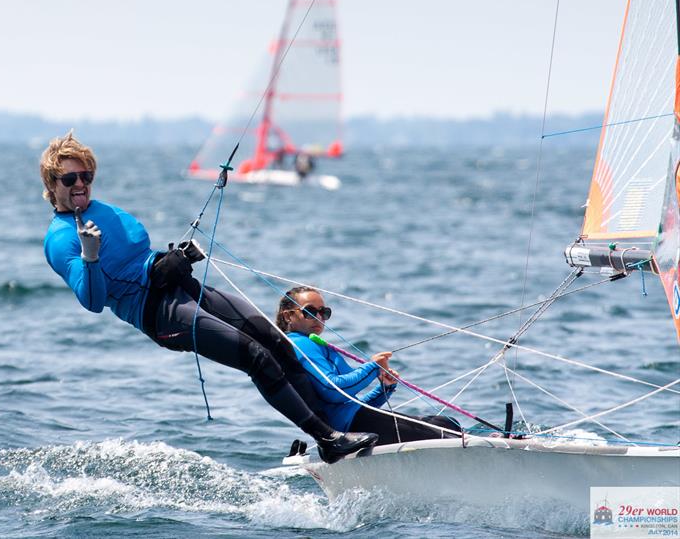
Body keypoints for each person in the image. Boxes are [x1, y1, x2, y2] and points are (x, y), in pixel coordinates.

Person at [39, 131, 378, 463]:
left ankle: (336, 431)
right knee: (255, 356)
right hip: (159, 312)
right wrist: (90, 255)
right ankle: (328, 440)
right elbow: (93, 301)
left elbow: (135, 257)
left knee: (275, 341)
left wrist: (171, 259)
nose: (80, 183)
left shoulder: (105, 210)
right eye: (70, 178)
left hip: (181, 287)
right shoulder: (59, 239)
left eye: (87, 175)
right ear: (53, 185)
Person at [276, 286, 462, 446]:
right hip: (351, 427)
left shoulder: (312, 344)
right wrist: (373, 367)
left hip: (354, 422)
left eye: (324, 313)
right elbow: (333, 389)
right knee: (447, 431)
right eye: (309, 311)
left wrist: (384, 389)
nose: (319, 318)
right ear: (289, 316)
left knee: (447, 423)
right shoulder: (300, 344)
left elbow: (349, 402)